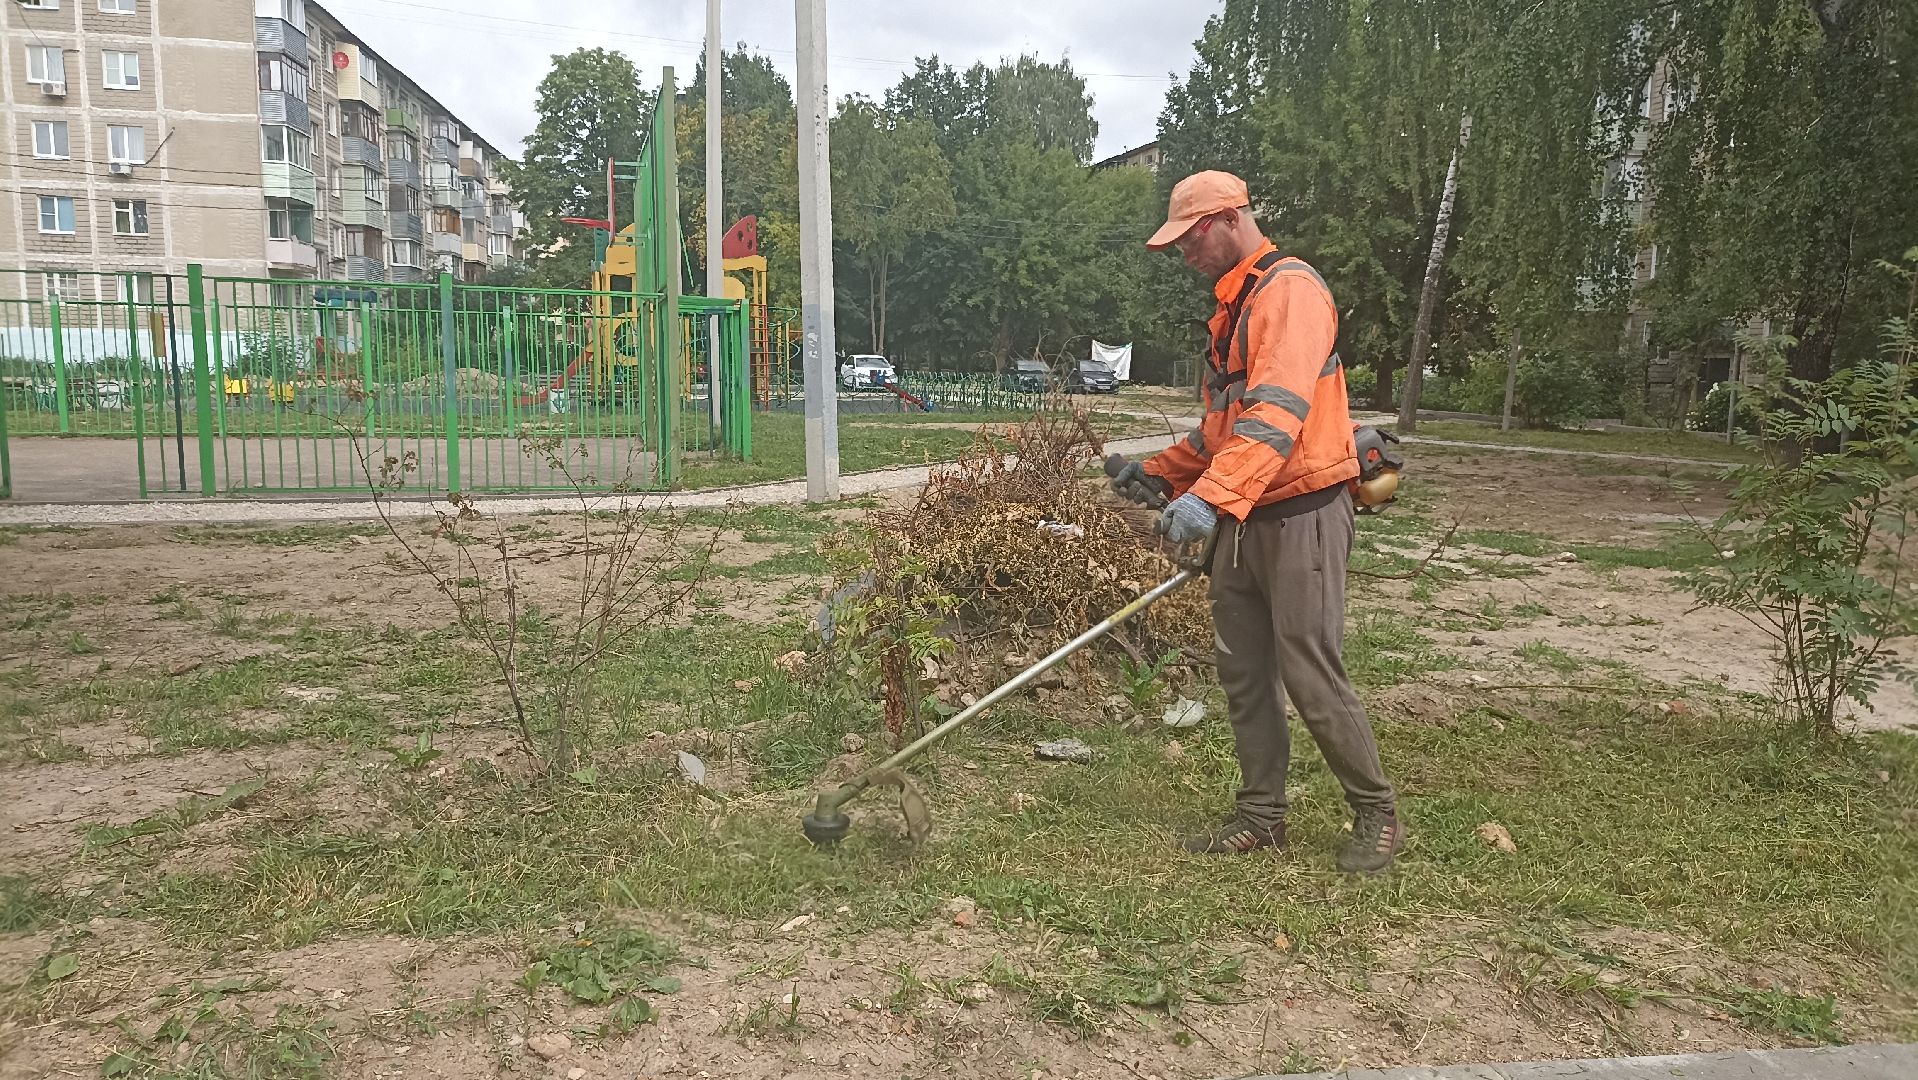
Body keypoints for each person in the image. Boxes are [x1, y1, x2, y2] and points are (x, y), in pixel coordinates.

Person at [1111, 170, 1403, 873]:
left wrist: (1208, 499)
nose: (1184, 255)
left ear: (1228, 218)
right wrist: (1162, 472)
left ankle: (1376, 813)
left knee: (1308, 668)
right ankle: (1262, 816)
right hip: (1243, 515)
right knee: (1243, 671)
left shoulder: (1290, 291)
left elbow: (1277, 415)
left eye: (1190, 238)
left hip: (1300, 508)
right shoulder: (1235, 310)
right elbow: (1225, 432)